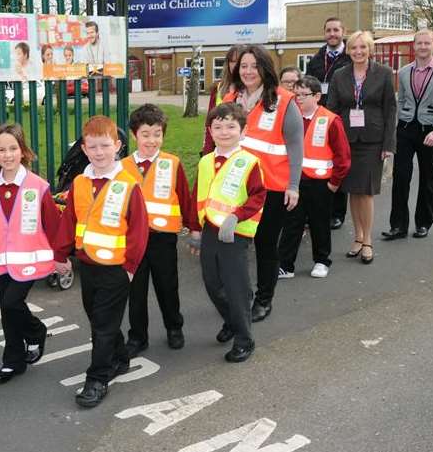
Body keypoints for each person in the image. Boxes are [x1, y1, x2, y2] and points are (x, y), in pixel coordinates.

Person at [53, 116, 148, 408]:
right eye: (92, 146)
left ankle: (98, 378)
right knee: (97, 319)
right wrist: (60, 255)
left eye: (105, 145)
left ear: (117, 146)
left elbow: (138, 229)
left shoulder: (129, 184)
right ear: (83, 148)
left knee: (103, 327)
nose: (99, 152)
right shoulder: (80, 183)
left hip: (117, 269)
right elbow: (70, 221)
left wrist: (130, 267)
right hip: (88, 266)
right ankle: (119, 358)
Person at [221, 45, 304, 323]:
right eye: (243, 66)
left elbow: (295, 145)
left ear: (265, 69)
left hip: (272, 186)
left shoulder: (284, 100)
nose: (248, 71)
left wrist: (294, 185)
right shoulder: (230, 97)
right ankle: (240, 295)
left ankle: (264, 298)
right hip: (235, 187)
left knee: (266, 245)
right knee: (237, 246)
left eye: (254, 66)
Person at [0, 124, 60, 384]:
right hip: (2, 261)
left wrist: (61, 256)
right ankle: (13, 361)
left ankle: (36, 331)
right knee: (7, 309)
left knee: (12, 304)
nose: (8, 154)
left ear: (23, 152)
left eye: (13, 148)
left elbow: (53, 223)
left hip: (31, 261)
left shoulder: (38, 186)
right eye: (2, 150)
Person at [189, 103, 266, 363]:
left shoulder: (249, 162)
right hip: (210, 229)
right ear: (210, 130)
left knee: (235, 287)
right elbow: (197, 197)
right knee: (212, 283)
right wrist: (195, 230)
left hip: (235, 234)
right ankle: (232, 320)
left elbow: (258, 196)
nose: (224, 132)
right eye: (218, 127)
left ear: (243, 132)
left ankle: (245, 339)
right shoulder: (205, 161)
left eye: (231, 126)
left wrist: (236, 217)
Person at [120, 104, 191, 357]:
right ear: (134, 135)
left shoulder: (172, 164)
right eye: (146, 134)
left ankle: (174, 327)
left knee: (167, 286)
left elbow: (184, 196)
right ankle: (138, 337)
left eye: (157, 134)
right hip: (133, 243)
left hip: (163, 239)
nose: (152, 140)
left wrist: (194, 229)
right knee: (135, 291)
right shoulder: (122, 168)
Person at [327, 30, 397, 264]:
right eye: (354, 48)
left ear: (370, 49)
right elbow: (333, 110)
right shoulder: (339, 75)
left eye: (363, 47)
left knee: (365, 192)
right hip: (346, 140)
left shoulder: (384, 74)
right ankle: (357, 237)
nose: (358, 52)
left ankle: (367, 240)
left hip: (372, 141)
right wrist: (331, 143)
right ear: (348, 50)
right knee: (352, 191)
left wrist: (389, 144)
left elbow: (390, 110)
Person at [383, 29, 433, 241]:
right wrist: (398, 125)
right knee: (401, 177)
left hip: (429, 130)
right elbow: (402, 100)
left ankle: (423, 223)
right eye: (419, 43)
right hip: (406, 129)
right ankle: (398, 226)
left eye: (427, 43)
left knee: (427, 176)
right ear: (413, 46)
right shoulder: (405, 71)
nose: (423, 47)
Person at [278, 77, 351, 279]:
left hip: (321, 184)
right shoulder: (289, 117)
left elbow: (343, 157)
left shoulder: (330, 119)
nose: (299, 98)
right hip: (294, 182)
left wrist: (334, 184)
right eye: (296, 94)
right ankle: (285, 265)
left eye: (304, 94)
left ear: (317, 96)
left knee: (320, 223)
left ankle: (321, 260)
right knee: (292, 223)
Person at [306, 17, 352, 231]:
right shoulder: (316, 59)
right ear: (324, 33)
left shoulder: (350, 58)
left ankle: (337, 213)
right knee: (318, 163)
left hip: (338, 117)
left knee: (337, 162)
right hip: (316, 118)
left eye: (336, 30)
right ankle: (315, 209)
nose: (332, 34)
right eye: (328, 30)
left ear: (343, 32)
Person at [201, 45, 244, 155]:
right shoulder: (218, 89)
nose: (236, 65)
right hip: (221, 147)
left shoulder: (253, 90)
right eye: (232, 61)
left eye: (239, 61)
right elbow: (209, 123)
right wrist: (207, 151)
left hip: (244, 149)